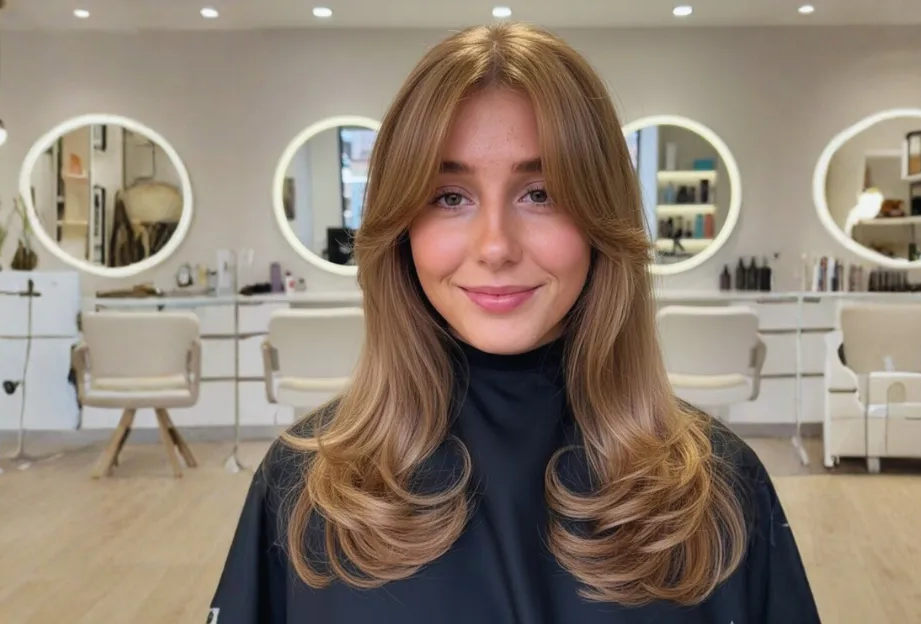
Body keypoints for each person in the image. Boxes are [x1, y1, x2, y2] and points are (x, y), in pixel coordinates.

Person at [210, 22, 819, 624]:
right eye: (450, 197)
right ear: (401, 230)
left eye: (542, 193)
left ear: (601, 220)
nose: (496, 246)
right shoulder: (304, 491)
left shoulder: (719, 491)